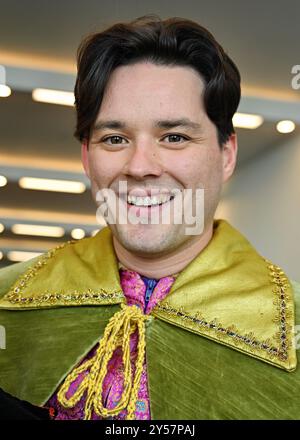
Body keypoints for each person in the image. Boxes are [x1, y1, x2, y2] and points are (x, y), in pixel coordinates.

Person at [0, 15, 299, 420]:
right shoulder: (8, 301)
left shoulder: (290, 327)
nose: (140, 166)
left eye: (174, 137)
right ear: (87, 158)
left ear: (227, 154)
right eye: (115, 139)